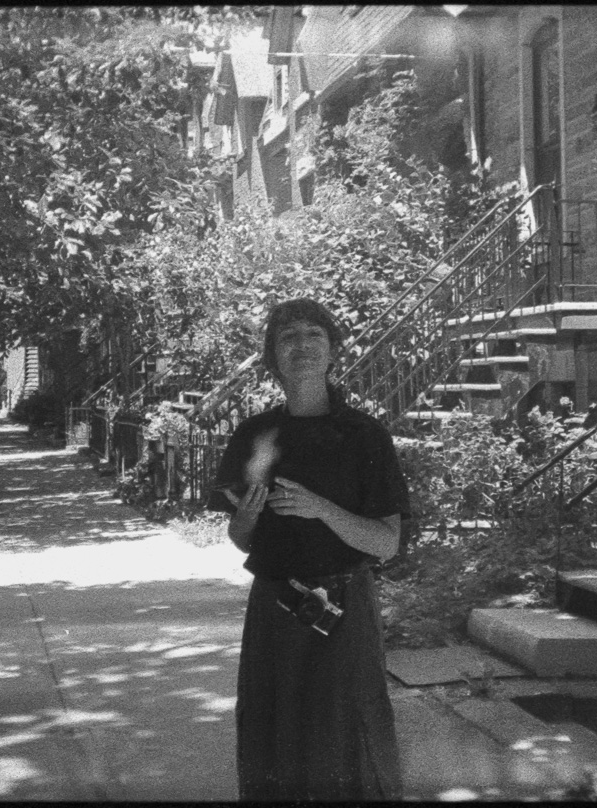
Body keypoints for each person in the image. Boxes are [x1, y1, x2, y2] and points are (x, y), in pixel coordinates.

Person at [206, 298, 408, 801]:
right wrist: (247, 516)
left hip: (345, 607)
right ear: (273, 357)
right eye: (288, 336)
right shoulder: (255, 435)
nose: (302, 345)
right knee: (272, 735)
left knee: (348, 739)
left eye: (314, 334)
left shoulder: (364, 435)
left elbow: (386, 542)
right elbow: (242, 538)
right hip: (275, 606)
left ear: (333, 350)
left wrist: (322, 509)